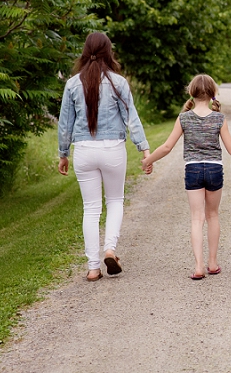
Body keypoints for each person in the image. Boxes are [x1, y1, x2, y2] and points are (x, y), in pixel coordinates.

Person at [142, 74, 231, 280]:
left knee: (196, 218)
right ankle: (213, 263)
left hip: (193, 170)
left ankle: (199, 266)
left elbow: (167, 147)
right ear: (213, 94)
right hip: (215, 169)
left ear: (191, 92)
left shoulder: (184, 118)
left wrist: (148, 160)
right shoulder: (219, 118)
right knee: (213, 215)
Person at [58, 32, 151, 282]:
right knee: (115, 201)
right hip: (112, 150)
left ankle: (92, 268)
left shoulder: (72, 84)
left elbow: (65, 124)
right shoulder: (118, 83)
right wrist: (144, 149)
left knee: (90, 209)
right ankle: (110, 249)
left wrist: (63, 154)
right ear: (109, 51)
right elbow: (132, 117)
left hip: (85, 152)